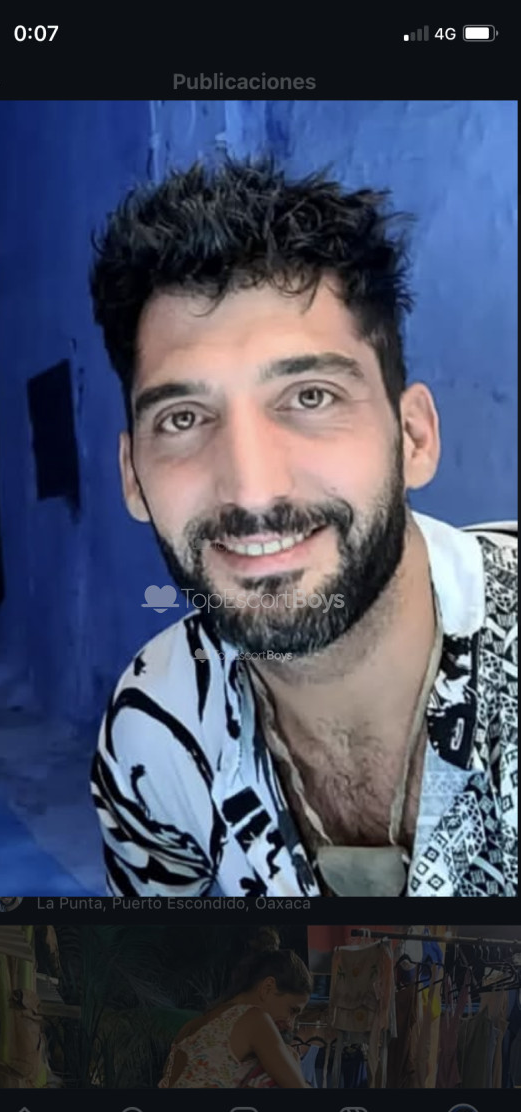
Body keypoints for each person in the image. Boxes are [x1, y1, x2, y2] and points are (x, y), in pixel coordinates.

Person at [89, 155, 517, 899]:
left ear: (414, 436)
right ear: (133, 477)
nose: (252, 489)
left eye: (311, 396)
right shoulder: (153, 737)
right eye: (183, 418)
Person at [157, 929, 311, 1088]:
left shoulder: (190, 1028)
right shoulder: (255, 1019)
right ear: (267, 987)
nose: (290, 1024)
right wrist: (293, 1061)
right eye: (292, 1010)